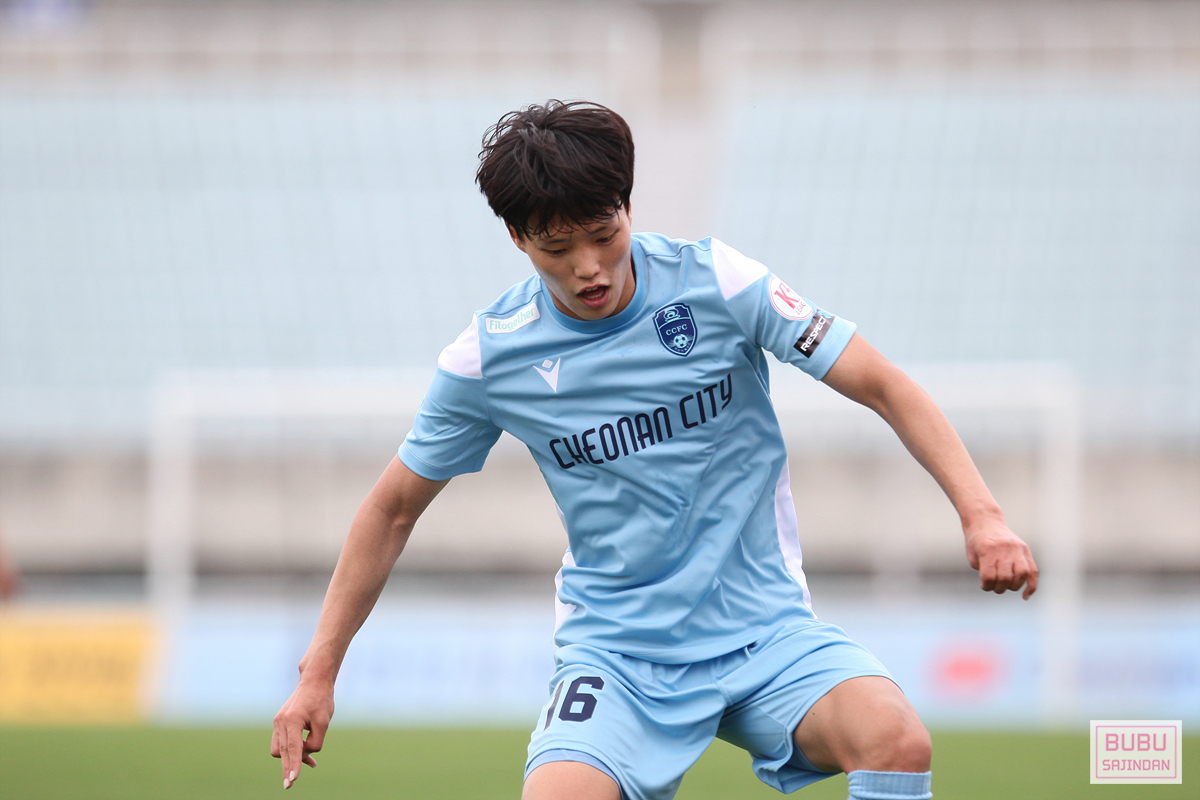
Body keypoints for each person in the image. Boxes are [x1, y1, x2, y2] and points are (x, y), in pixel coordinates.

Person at [272, 101, 1038, 800]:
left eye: (604, 235)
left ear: (628, 207)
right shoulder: (489, 357)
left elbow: (883, 384)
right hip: (618, 654)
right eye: (557, 247)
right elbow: (392, 509)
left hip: (765, 630)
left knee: (896, 740)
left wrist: (983, 514)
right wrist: (319, 673)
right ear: (517, 238)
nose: (589, 267)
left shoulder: (717, 283)